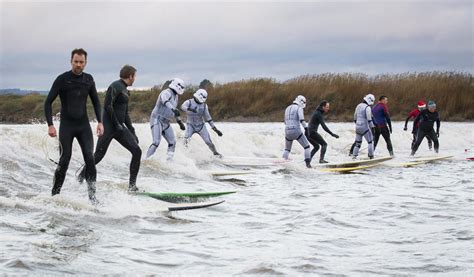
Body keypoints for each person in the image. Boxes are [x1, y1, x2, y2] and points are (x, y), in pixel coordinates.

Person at [44, 48, 104, 204]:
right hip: (67, 126)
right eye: (76, 61)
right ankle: (54, 196)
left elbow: (96, 102)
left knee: (90, 159)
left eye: (81, 62)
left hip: (83, 126)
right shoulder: (62, 79)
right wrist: (50, 125)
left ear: (85, 63)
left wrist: (100, 122)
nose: (78, 65)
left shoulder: (89, 80)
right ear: (71, 61)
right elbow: (48, 102)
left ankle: (92, 199)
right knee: (64, 160)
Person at [78, 65, 142, 192]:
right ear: (130, 76)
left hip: (119, 128)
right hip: (109, 127)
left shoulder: (125, 90)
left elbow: (125, 113)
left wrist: (132, 131)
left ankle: (132, 186)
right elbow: (108, 106)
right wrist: (117, 124)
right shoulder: (115, 86)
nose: (135, 79)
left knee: (137, 151)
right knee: (98, 156)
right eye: (134, 76)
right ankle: (81, 176)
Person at [146, 78, 186, 160]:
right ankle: (146, 160)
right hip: (157, 119)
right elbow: (164, 100)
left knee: (172, 142)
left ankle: (169, 161)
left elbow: (175, 111)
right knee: (156, 142)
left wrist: (179, 122)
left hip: (166, 123)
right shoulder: (166, 92)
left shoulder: (176, 96)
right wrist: (173, 109)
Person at [181, 89, 223, 157]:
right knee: (186, 140)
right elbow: (182, 107)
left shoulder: (204, 106)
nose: (200, 102)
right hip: (190, 125)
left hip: (201, 126)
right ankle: (183, 155)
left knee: (208, 142)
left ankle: (215, 153)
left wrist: (215, 130)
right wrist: (190, 109)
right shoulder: (189, 102)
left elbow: (208, 118)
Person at [282, 95, 312, 168]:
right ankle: (308, 165)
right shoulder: (299, 108)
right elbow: (302, 120)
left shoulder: (287, 108)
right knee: (307, 147)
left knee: (287, 149)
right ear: (302, 102)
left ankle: (282, 163)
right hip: (296, 130)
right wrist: (306, 128)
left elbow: (285, 122)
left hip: (287, 130)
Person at [351, 94, 376, 159]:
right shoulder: (367, 108)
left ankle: (354, 157)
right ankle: (371, 157)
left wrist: (357, 125)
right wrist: (373, 129)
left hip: (357, 127)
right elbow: (369, 120)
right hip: (364, 127)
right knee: (370, 142)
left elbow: (355, 117)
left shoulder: (358, 105)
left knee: (357, 144)